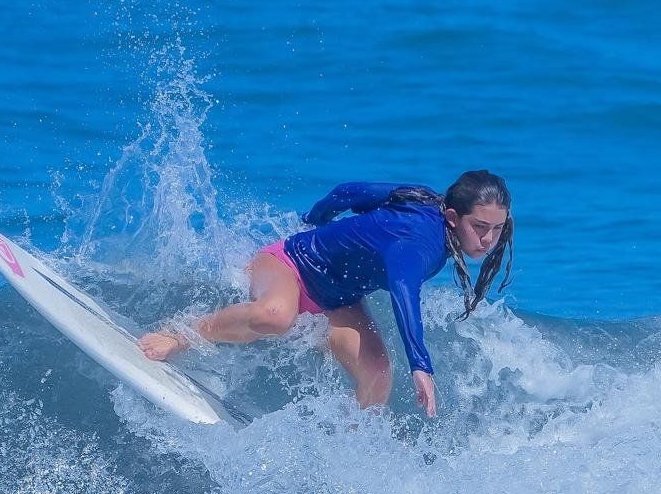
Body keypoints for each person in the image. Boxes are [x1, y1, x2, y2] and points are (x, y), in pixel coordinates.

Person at [137, 170, 513, 417]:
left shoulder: (421, 198)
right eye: (479, 227)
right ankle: (181, 334)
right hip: (291, 265)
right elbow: (403, 290)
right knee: (275, 317)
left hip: (337, 299)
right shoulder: (421, 242)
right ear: (451, 218)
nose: (487, 239)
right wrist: (421, 365)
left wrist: (320, 217)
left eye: (497, 229)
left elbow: (348, 192)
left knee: (378, 374)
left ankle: (349, 451)